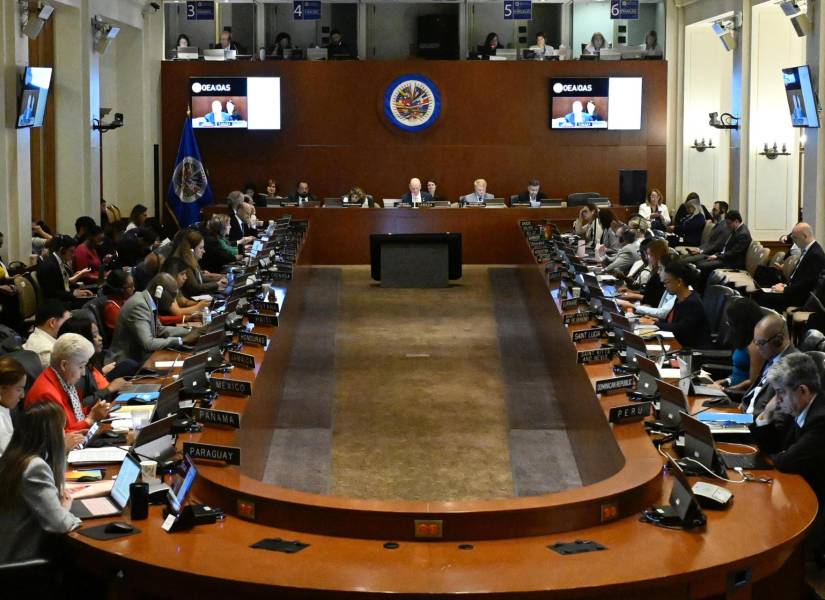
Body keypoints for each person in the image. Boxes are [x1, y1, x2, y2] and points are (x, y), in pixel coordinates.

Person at [751, 353, 825, 541]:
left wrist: (766, 459)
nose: (777, 399)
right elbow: (777, 447)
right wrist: (766, 415)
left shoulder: (820, 419)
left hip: (815, 506)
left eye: (780, 392)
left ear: (802, 390)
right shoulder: (802, 407)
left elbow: (786, 461)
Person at [0, 402, 82, 563]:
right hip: (22, 564)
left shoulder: (14, 457)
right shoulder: (34, 467)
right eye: (62, 429)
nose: (64, 434)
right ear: (51, 434)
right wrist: (64, 509)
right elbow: (61, 524)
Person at [25, 333, 111, 432]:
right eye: (81, 366)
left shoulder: (62, 380)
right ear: (64, 365)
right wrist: (90, 419)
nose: (83, 373)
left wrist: (94, 412)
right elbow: (60, 438)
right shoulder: (47, 394)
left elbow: (72, 418)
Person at [108, 273, 200, 364]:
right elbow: (148, 344)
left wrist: (191, 331)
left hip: (140, 358)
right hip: (124, 363)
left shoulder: (148, 301)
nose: (173, 301)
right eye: (172, 295)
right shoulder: (139, 305)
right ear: (159, 291)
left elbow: (159, 329)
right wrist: (181, 340)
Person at [58, 315, 132, 405]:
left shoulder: (92, 359)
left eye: (98, 334)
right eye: (94, 336)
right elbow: (80, 404)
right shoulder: (76, 368)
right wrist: (110, 389)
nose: (100, 338)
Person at [638, 261, 710, 348]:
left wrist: (654, 323)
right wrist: (655, 320)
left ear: (679, 282)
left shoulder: (692, 303)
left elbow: (679, 329)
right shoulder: (679, 298)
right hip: (677, 344)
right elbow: (673, 323)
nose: (664, 286)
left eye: (667, 282)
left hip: (691, 352)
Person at [755, 222, 825, 311]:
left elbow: (807, 284)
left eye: (795, 238)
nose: (794, 241)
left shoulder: (815, 254)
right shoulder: (809, 250)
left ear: (805, 236)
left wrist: (785, 290)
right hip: (795, 292)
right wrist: (785, 285)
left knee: (762, 297)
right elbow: (799, 278)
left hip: (801, 298)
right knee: (760, 293)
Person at [741, 312, 799, 416]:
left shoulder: (791, 368)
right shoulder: (772, 358)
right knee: (704, 417)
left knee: (704, 422)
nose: (757, 348)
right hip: (743, 416)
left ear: (779, 340)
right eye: (756, 343)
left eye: (761, 343)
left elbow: (778, 417)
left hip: (752, 424)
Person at [713, 298, 766, 392]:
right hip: (730, 388)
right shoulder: (741, 337)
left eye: (731, 321)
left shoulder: (755, 345)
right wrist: (724, 382)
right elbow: (737, 371)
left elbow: (753, 381)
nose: (728, 323)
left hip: (738, 394)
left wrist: (726, 389)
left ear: (741, 322)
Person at [162, 230, 225, 298]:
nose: (204, 251)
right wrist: (217, 284)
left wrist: (220, 280)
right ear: (190, 249)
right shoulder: (182, 262)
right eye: (201, 248)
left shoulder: (192, 260)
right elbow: (194, 288)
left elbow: (201, 278)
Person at [36, 235, 94, 304]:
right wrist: (72, 294)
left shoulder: (62, 263)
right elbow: (51, 294)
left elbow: (64, 285)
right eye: (71, 251)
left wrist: (80, 289)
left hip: (65, 300)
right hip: (57, 306)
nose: (73, 255)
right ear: (62, 250)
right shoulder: (49, 266)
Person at [696, 210, 752, 277]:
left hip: (732, 263)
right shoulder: (736, 230)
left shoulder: (743, 234)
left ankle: (703, 286)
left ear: (736, 221)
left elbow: (733, 253)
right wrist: (717, 255)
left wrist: (717, 256)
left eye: (729, 223)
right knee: (700, 262)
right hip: (726, 258)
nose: (727, 226)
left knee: (702, 265)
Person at [154, 260, 210, 325]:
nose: (185, 277)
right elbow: (178, 312)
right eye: (182, 274)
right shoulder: (164, 288)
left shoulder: (175, 288)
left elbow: (184, 302)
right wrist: (198, 306)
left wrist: (202, 303)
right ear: (172, 275)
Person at [22, 300, 71, 369]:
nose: (70, 325)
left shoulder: (36, 336)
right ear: (52, 322)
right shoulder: (48, 352)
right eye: (67, 322)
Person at [0, 356, 26, 454]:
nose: (22, 395)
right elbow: (12, 462)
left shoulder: (4, 409)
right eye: (19, 389)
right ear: (1, 389)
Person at [99, 270, 135, 342]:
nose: (134, 289)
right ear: (120, 290)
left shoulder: (123, 301)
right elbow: (123, 335)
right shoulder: (111, 308)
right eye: (130, 286)